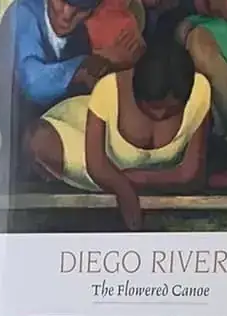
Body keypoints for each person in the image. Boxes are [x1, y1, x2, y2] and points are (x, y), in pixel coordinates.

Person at [30, 31, 209, 229]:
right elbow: (96, 165)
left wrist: (137, 178)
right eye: (152, 107)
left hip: (124, 169)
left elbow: (190, 173)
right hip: (82, 132)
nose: (160, 116)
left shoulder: (200, 91)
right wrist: (124, 189)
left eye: (172, 110)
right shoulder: (109, 89)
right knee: (39, 140)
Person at [0, 0, 144, 155]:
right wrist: (86, 64)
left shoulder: (85, 31)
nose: (67, 15)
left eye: (81, 8)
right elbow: (32, 81)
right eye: (61, 1)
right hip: (21, 158)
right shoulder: (23, 13)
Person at [176, 0, 227, 146]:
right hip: (219, 20)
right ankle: (216, 116)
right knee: (181, 32)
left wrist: (217, 6)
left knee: (199, 43)